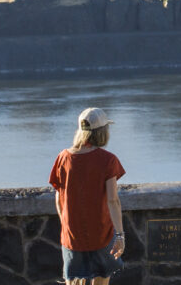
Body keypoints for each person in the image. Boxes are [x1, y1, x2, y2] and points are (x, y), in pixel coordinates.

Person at [49, 108, 126, 285]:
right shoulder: (108, 160)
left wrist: (66, 224)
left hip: (71, 236)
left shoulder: (63, 158)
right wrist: (120, 235)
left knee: (74, 281)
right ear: (102, 132)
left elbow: (59, 198)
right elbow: (113, 200)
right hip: (101, 234)